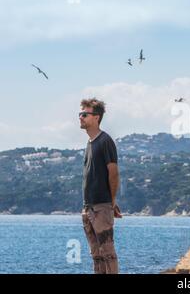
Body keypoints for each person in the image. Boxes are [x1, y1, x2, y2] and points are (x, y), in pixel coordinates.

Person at [79, 98, 122, 274]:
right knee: (96, 254)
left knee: (108, 253)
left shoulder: (105, 141)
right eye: (80, 114)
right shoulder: (90, 144)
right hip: (88, 208)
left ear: (96, 117)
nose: (80, 117)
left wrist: (111, 202)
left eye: (84, 114)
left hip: (101, 207)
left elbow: (113, 173)